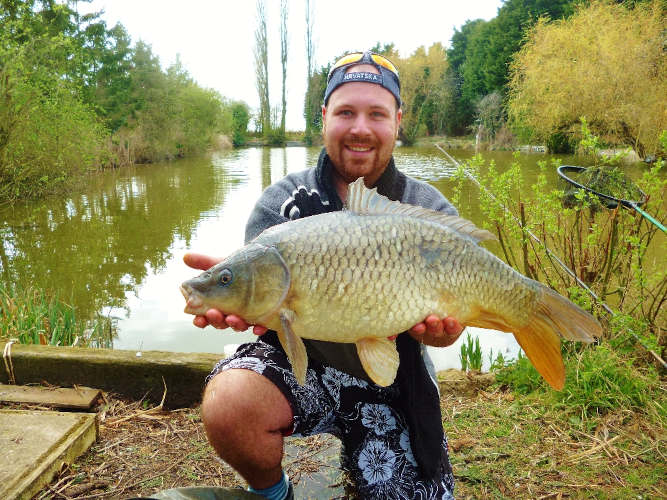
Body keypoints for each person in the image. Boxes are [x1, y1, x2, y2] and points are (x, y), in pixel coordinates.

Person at [184, 51, 464, 500]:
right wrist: (228, 290)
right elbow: (266, 317)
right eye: (346, 112)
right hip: (303, 365)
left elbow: (450, 333)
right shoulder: (281, 206)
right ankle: (274, 492)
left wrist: (441, 333)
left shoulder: (427, 211)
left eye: (377, 113)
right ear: (324, 117)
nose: (360, 127)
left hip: (394, 377)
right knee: (229, 401)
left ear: (398, 122)